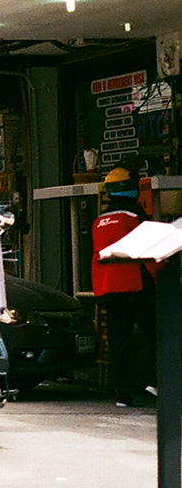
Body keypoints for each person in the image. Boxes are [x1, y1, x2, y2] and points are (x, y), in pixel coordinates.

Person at [91, 165, 156, 406]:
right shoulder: (135, 216)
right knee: (156, 336)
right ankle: (159, 382)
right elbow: (149, 251)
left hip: (110, 290)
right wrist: (159, 278)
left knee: (119, 343)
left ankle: (123, 394)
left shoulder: (99, 220)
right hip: (138, 287)